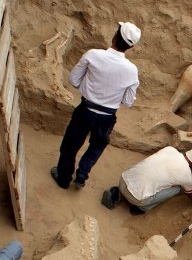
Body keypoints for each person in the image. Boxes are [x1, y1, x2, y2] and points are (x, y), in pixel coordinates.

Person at [51, 22, 142, 190]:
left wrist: (90, 88)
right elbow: (128, 102)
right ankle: (82, 174)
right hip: (107, 117)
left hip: (85, 110)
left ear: (115, 36)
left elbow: (73, 80)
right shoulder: (131, 70)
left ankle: (63, 178)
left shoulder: (93, 55)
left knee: (71, 145)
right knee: (97, 146)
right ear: (131, 46)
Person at [101, 144, 192, 215]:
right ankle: (140, 208)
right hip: (137, 199)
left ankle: (117, 194)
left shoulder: (170, 149)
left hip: (123, 179)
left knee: (152, 176)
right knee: (176, 189)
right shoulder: (186, 176)